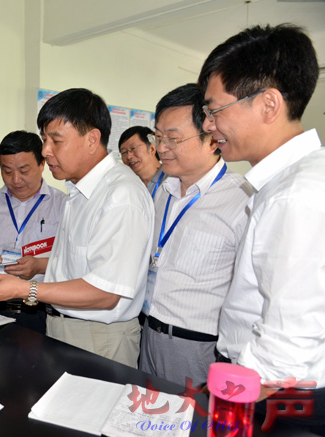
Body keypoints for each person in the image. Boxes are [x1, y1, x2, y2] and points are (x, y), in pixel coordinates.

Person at [199, 24, 324, 434]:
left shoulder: (295, 195)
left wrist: (227, 407)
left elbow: (288, 341)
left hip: (275, 395)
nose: (208, 125)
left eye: (215, 110)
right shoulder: (297, 180)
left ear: (269, 104)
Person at [0, 90, 154, 367]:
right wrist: (35, 269)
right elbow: (75, 265)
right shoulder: (79, 193)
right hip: (63, 327)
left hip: (97, 338)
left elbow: (105, 293)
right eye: (44, 140)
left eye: (56, 141)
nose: (46, 151)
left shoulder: (120, 196)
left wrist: (25, 289)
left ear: (91, 139)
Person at [138, 83, 251, 387]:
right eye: (158, 137)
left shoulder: (242, 200)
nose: (161, 148)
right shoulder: (162, 192)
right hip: (147, 333)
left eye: (173, 138)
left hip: (198, 348)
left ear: (212, 138)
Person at [0, 130, 66, 334]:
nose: (16, 179)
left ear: (42, 164)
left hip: (40, 310)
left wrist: (39, 266)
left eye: (24, 171)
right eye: (7, 171)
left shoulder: (63, 206)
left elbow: (74, 262)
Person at [118, 126, 165, 198]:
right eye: (124, 152)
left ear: (152, 149)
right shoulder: (129, 185)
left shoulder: (172, 179)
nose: (129, 156)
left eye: (133, 148)